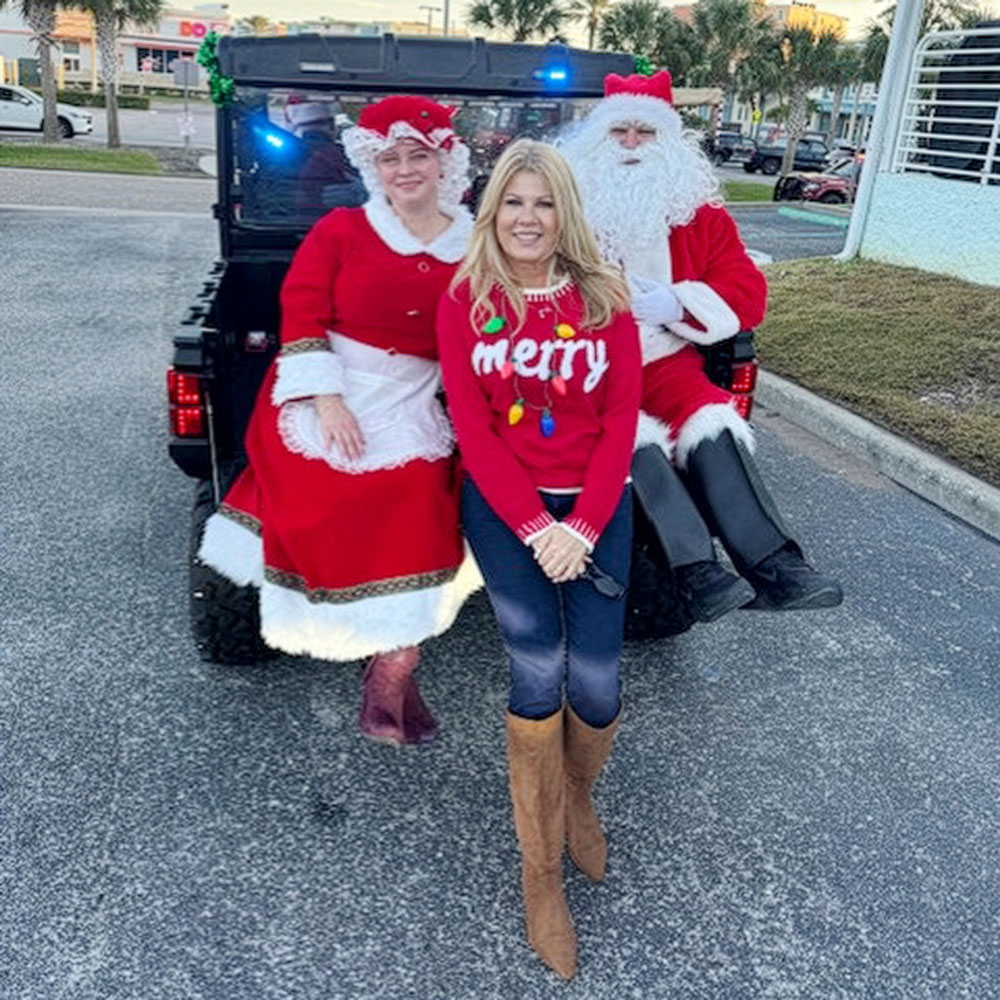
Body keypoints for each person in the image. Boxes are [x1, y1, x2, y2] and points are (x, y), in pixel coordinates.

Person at [198, 95, 481, 746]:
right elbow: (302, 309)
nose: (404, 170)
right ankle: (351, 630)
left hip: (415, 395)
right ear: (372, 166)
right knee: (327, 489)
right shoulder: (342, 231)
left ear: (444, 161)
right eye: (390, 158)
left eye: (418, 155)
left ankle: (396, 657)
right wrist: (326, 399)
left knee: (422, 499)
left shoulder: (476, 244)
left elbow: (489, 324)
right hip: (333, 383)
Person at [437, 139, 641, 980]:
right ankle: (541, 876)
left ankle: (575, 795)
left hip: (596, 508)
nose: (527, 219)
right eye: (513, 203)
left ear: (565, 214)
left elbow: (622, 419)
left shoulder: (605, 297)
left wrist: (581, 527)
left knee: (596, 679)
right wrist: (534, 526)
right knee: (537, 666)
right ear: (494, 212)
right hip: (506, 512)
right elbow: (474, 429)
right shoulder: (466, 298)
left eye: (543, 203)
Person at [559, 70, 843, 620]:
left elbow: (747, 290)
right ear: (599, 138)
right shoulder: (561, 208)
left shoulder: (698, 214)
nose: (632, 144)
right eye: (620, 132)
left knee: (711, 421)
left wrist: (677, 304)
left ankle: (776, 567)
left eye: (646, 132)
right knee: (630, 437)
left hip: (665, 359)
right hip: (585, 366)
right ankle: (697, 572)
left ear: (669, 140)